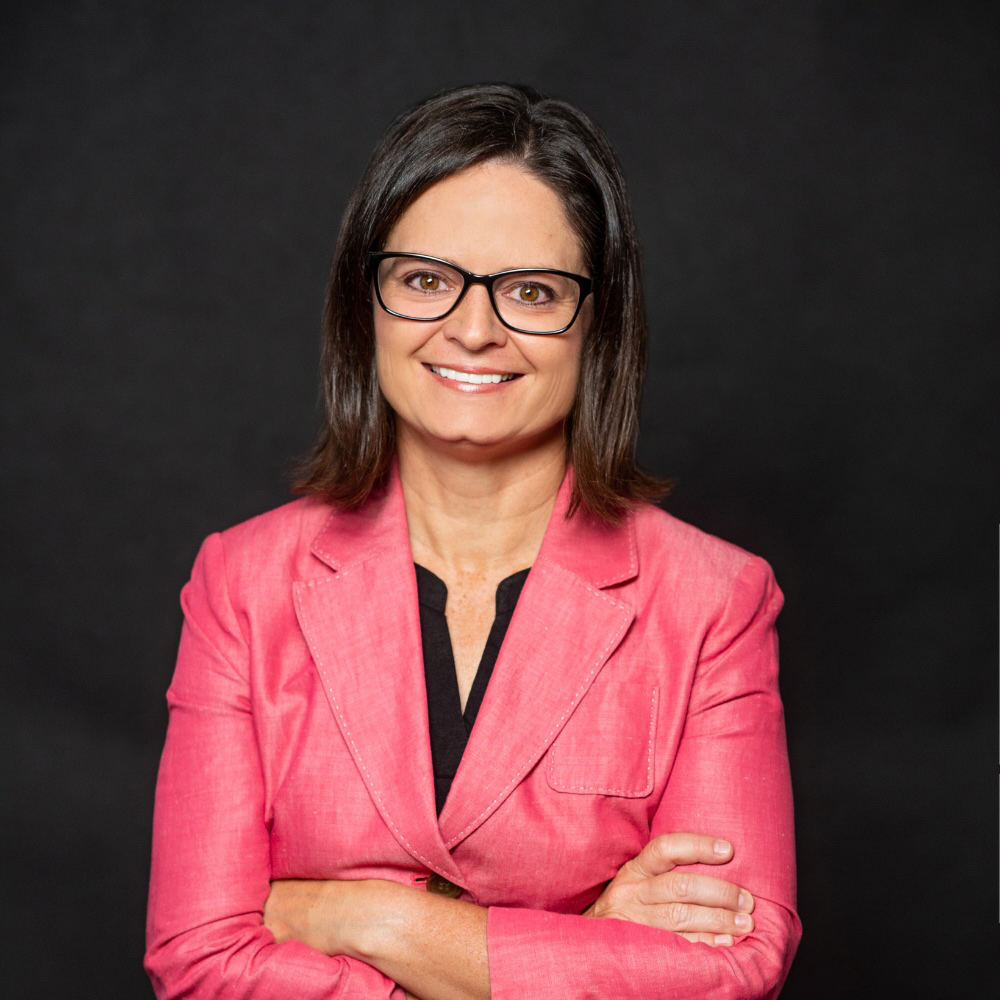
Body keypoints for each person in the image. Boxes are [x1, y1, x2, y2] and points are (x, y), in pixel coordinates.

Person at [145, 83, 800, 1000]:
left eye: (531, 291)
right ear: (363, 303)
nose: (473, 328)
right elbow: (201, 960)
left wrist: (359, 917)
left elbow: (734, 963)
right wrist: (577, 945)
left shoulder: (713, 600)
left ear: (597, 326)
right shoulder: (244, 582)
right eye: (425, 280)